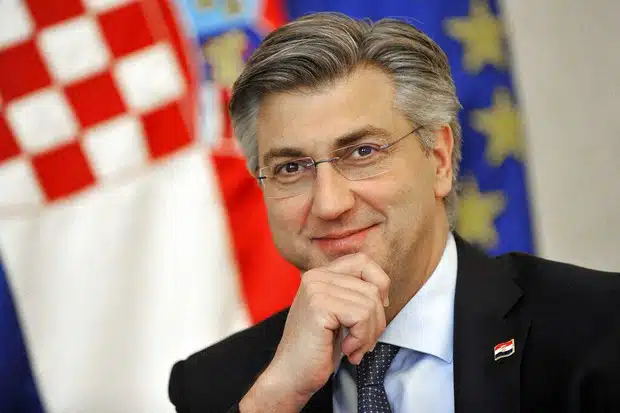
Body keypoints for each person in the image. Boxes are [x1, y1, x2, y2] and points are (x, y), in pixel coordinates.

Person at [168, 12, 620, 413]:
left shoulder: (598, 326)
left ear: (439, 159)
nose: (329, 204)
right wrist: (277, 400)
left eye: (362, 152)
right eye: (291, 167)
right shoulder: (220, 386)